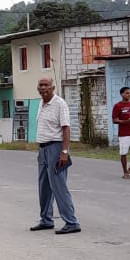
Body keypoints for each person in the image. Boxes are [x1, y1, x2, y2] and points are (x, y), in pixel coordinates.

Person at [30, 77, 81, 235]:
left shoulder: (59, 104)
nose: (43, 88)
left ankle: (71, 222)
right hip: (43, 149)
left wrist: (64, 152)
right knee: (44, 187)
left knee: (59, 187)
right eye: (40, 85)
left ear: (53, 88)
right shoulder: (41, 103)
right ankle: (46, 220)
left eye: (46, 85)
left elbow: (66, 128)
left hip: (56, 148)